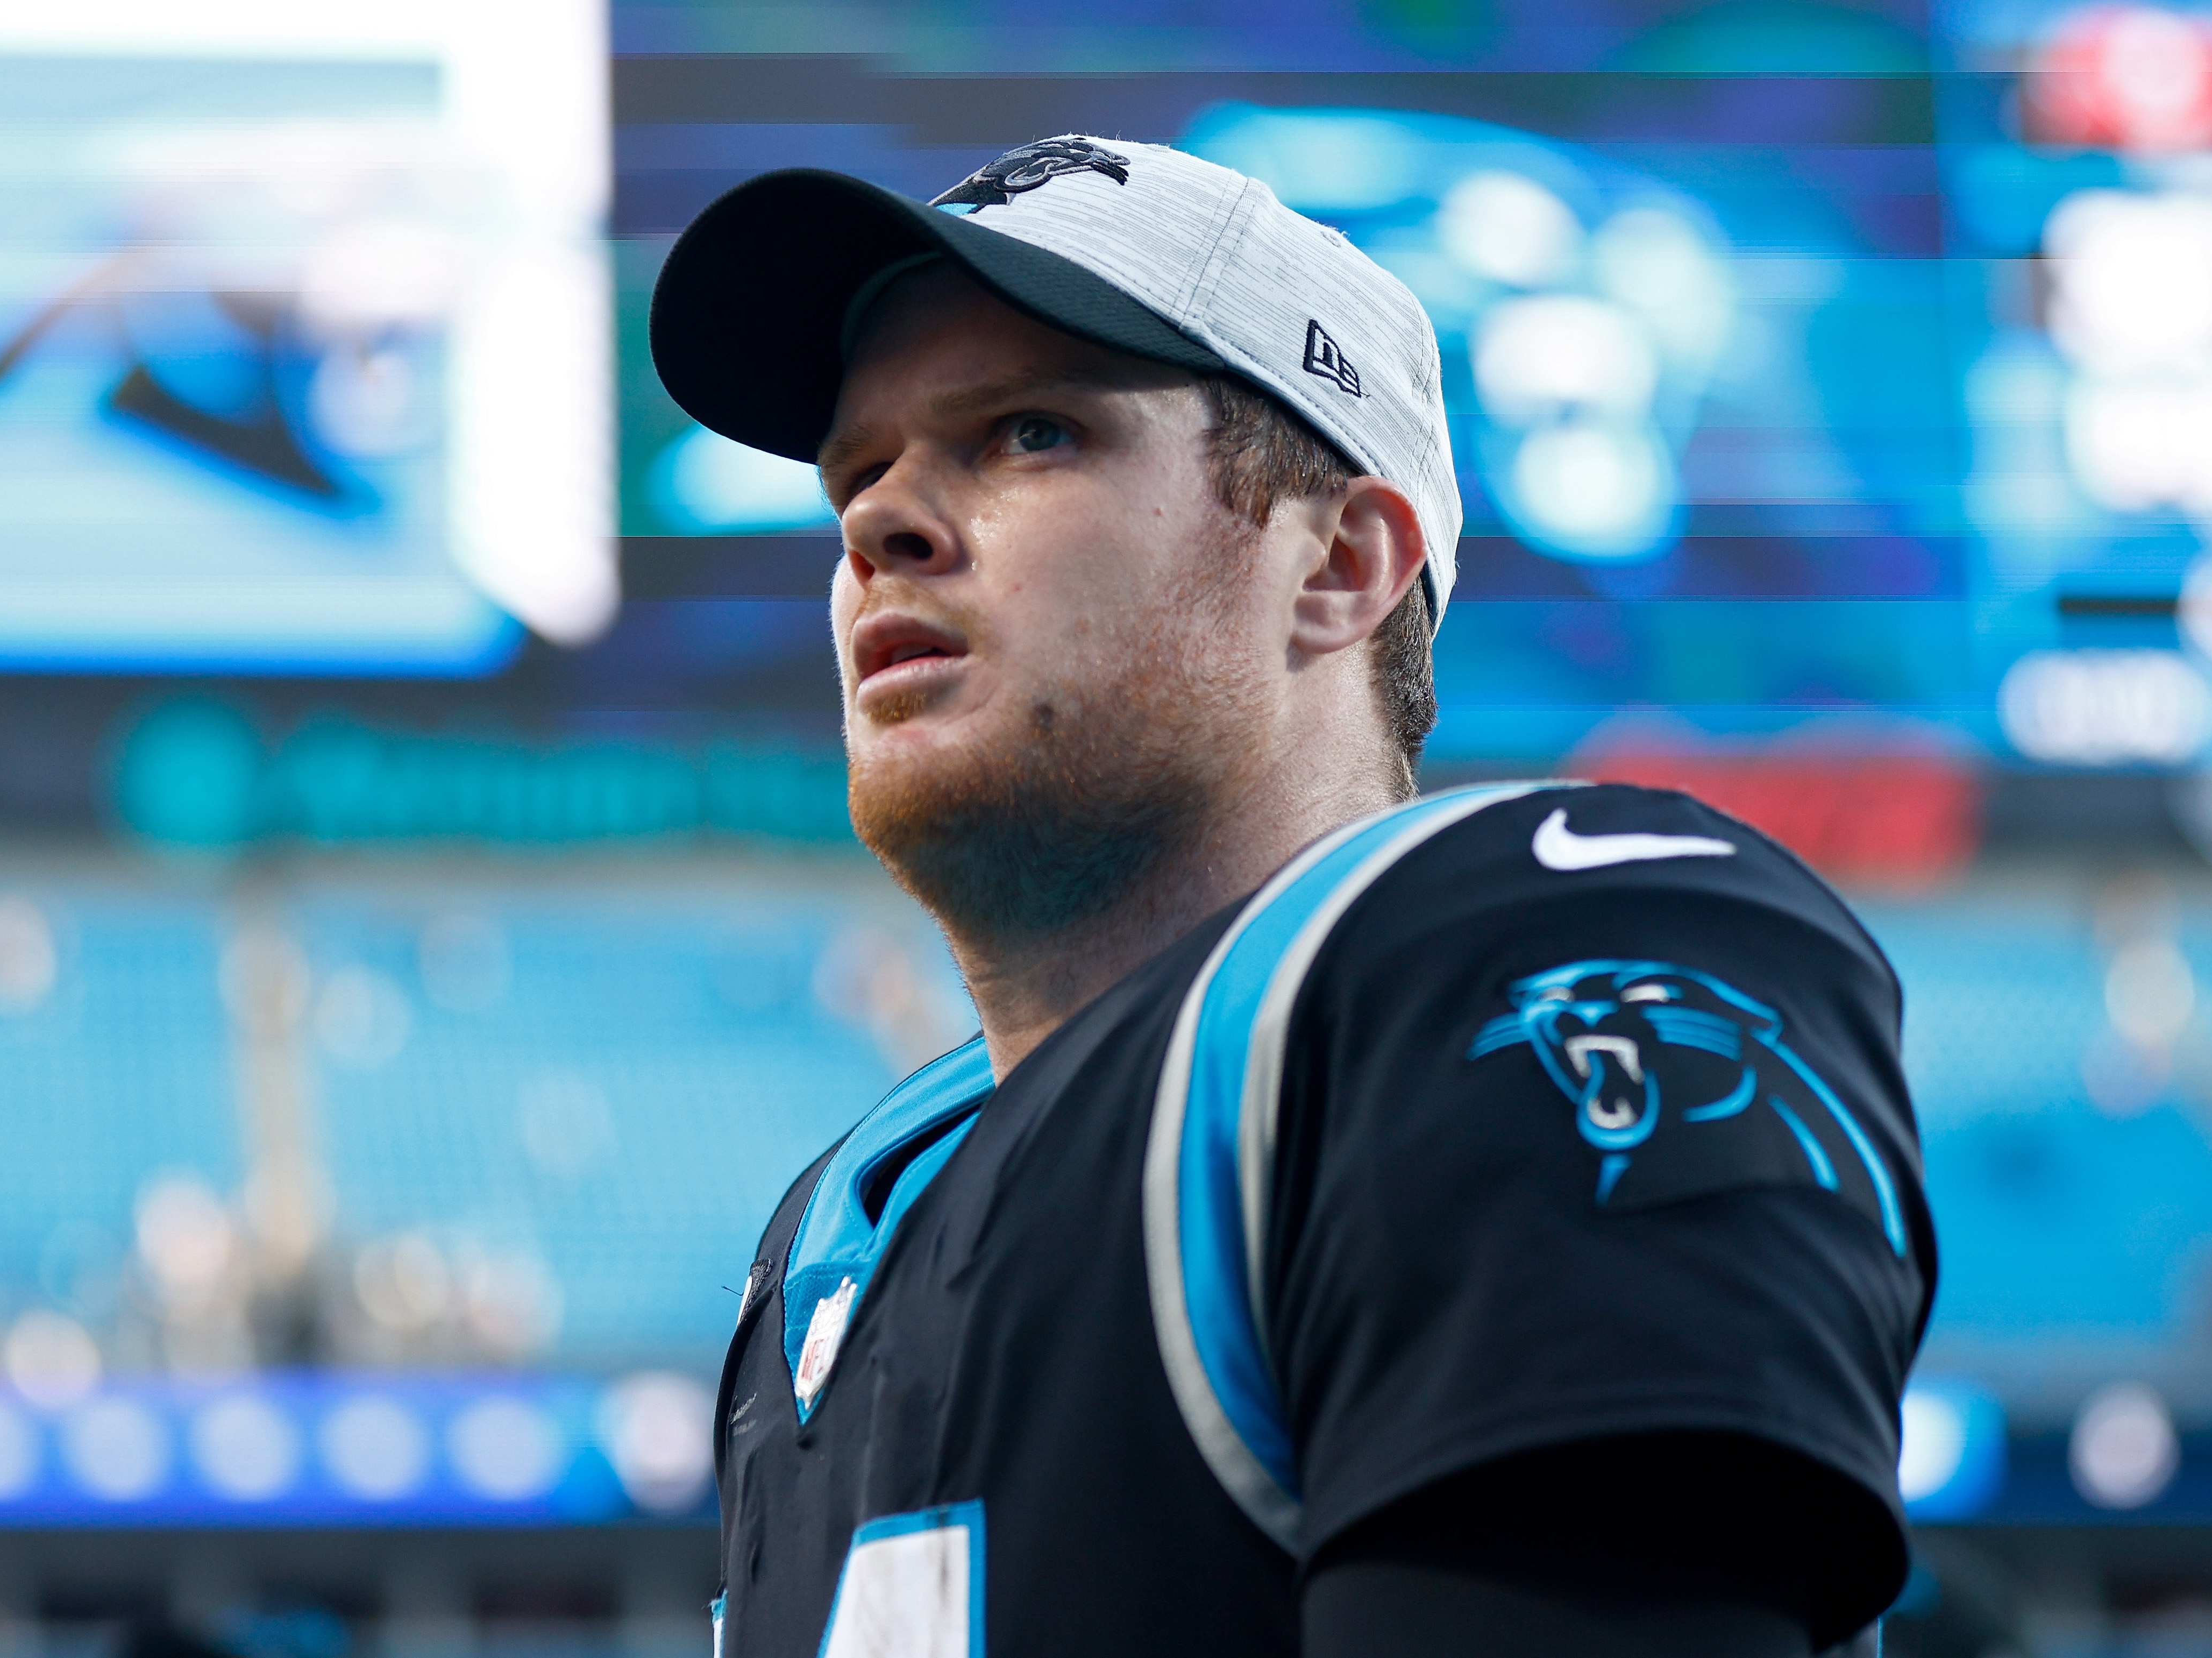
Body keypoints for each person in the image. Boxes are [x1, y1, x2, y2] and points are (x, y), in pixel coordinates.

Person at [651, 133, 1934, 1658]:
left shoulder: (1506, 961)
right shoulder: (843, 1223)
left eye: (1029, 433)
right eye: (858, 472)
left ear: (1339, 564)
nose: (878, 524)